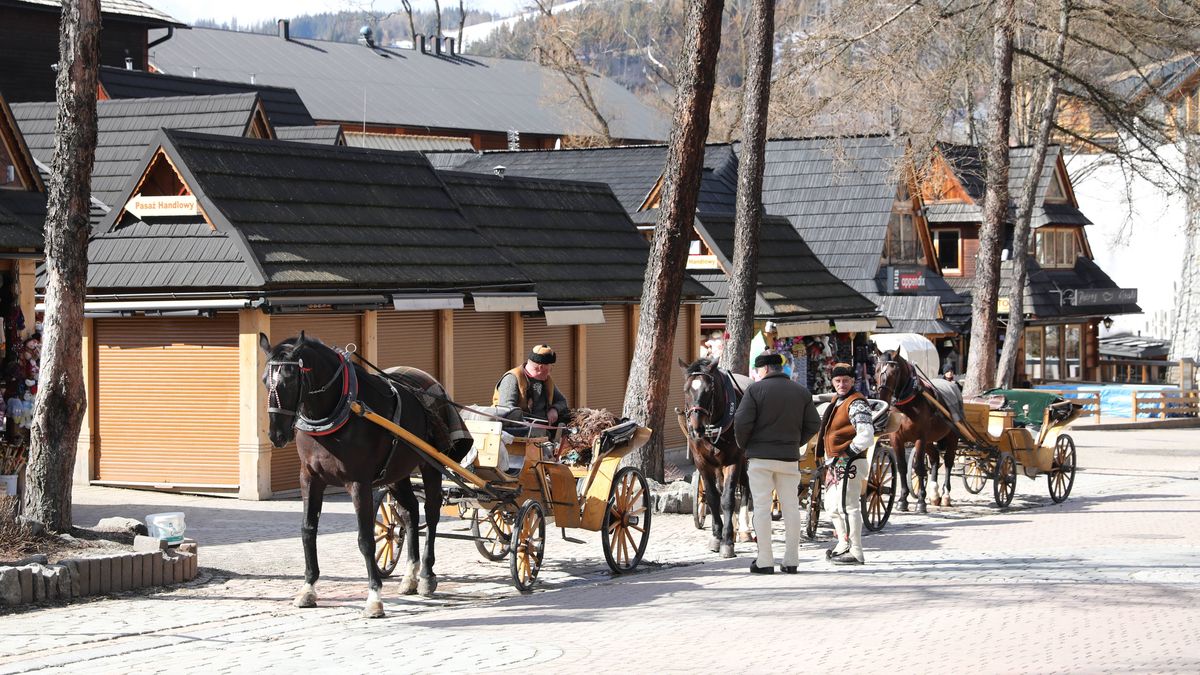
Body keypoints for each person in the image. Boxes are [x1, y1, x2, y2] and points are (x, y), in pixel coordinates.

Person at [733, 351, 821, 574]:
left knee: (762, 508)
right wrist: (794, 441)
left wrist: (746, 446)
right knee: (791, 507)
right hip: (789, 458)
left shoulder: (754, 390)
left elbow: (741, 423)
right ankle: (791, 560)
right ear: (781, 368)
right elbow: (814, 423)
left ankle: (765, 560)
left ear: (763, 369)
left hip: (760, 459)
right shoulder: (801, 391)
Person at [816, 362, 874, 565]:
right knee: (832, 506)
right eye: (838, 381)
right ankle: (843, 544)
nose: (842, 384)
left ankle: (856, 551)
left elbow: (866, 434)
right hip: (836, 463)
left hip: (851, 461)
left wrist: (848, 453)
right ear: (832, 382)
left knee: (848, 506)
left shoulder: (856, 402)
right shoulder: (838, 401)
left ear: (853, 381)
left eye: (846, 381)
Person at [492, 344, 569, 433]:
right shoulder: (512, 378)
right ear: (541, 367)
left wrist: (554, 409)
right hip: (519, 431)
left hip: (544, 429)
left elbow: (562, 401)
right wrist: (530, 425)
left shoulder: (547, 380)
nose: (550, 371)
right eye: (551, 367)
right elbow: (506, 410)